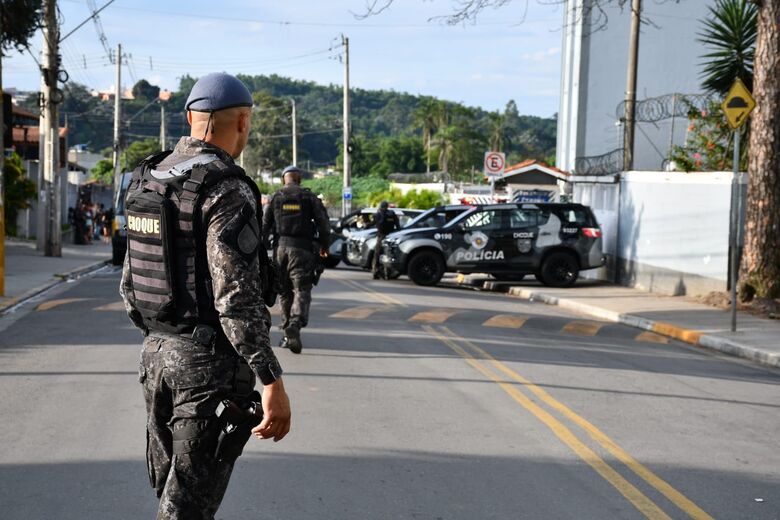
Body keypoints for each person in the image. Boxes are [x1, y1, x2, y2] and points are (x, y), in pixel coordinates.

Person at [119, 72, 291, 519]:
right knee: (185, 512)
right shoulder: (226, 187)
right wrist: (270, 378)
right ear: (243, 123)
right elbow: (235, 298)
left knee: (171, 497)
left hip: (154, 356)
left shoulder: (148, 178)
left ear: (190, 117)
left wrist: (161, 337)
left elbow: (129, 283)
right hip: (206, 367)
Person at [262, 165, 330, 354]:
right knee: (301, 289)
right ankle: (295, 322)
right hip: (302, 250)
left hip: (280, 251)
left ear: (284, 179)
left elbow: (265, 225)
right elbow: (324, 224)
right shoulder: (309, 197)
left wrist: (260, 249)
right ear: (299, 179)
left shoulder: (276, 197)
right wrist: (325, 246)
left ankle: (286, 333)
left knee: (284, 292)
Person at [371, 200, 400, 279]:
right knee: (390, 255)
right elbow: (397, 225)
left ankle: (375, 271)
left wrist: (366, 225)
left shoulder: (378, 214)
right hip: (391, 237)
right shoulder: (392, 214)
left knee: (377, 255)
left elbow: (373, 223)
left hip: (381, 236)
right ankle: (388, 272)